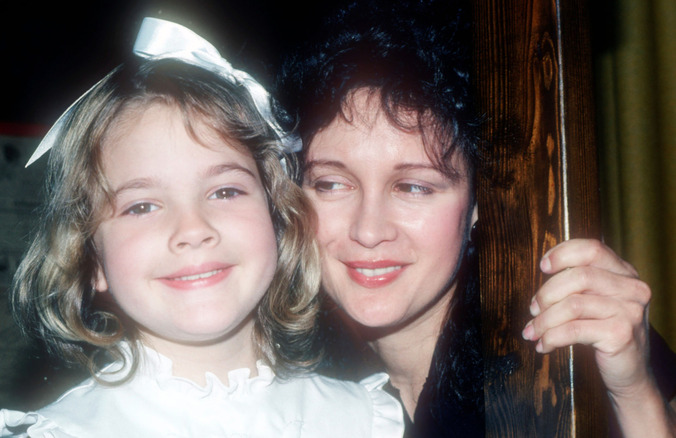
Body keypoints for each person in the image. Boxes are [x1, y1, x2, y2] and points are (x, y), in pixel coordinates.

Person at [276, 0, 676, 437]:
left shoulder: (565, 319)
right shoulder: (273, 368)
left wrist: (634, 391)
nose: (368, 231)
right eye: (332, 184)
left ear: (478, 204)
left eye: (414, 187)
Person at [0, 18, 404, 438]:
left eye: (225, 192)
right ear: (91, 258)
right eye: (142, 206)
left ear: (278, 219)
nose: (192, 229)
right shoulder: (63, 433)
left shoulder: (364, 420)